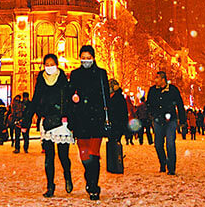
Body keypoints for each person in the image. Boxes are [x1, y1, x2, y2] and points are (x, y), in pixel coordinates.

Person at [26, 53, 74, 198]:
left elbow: (69, 100)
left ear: (57, 64)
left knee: (63, 156)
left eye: (52, 64)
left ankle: (67, 176)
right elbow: (35, 99)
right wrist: (26, 120)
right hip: (46, 121)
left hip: (61, 122)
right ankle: (50, 186)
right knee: (49, 157)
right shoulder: (41, 79)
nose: (49, 67)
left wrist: (70, 118)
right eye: (47, 64)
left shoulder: (63, 78)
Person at [69, 45, 110, 201]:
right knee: (84, 155)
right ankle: (89, 179)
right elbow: (70, 95)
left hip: (96, 120)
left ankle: (94, 186)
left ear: (93, 58)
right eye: (83, 57)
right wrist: (74, 98)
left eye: (88, 57)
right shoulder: (75, 74)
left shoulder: (101, 74)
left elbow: (106, 97)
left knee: (94, 154)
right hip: (80, 120)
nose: (86, 60)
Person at [147, 70, 186, 176]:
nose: (155, 81)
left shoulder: (173, 90)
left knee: (170, 144)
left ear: (163, 79)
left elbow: (180, 105)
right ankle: (163, 162)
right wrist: (152, 115)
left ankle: (171, 167)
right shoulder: (152, 90)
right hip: (158, 120)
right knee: (158, 144)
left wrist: (182, 121)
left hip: (170, 120)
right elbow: (149, 104)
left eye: (157, 78)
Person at [107, 79, 128, 146]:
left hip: (117, 123)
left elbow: (123, 113)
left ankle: (116, 155)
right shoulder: (109, 97)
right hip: (112, 123)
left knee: (115, 141)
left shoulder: (119, 98)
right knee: (112, 141)